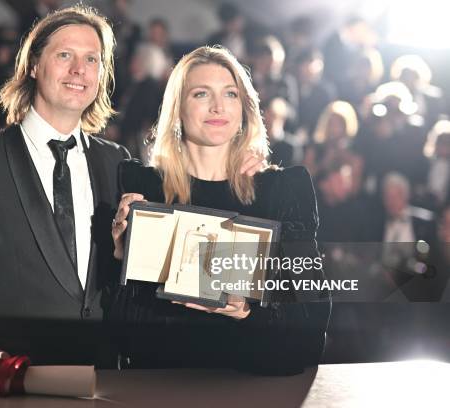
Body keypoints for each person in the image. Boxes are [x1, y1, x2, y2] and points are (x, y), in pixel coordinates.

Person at [0, 6, 130, 377]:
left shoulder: (118, 163)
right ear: (32, 64)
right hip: (13, 383)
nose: (79, 69)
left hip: (105, 381)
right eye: (65, 55)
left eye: (91, 59)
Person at [111, 46, 330, 374]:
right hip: (160, 389)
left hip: (256, 388)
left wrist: (246, 311)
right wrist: (119, 258)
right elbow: (124, 337)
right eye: (201, 94)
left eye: (230, 93)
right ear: (178, 109)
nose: (218, 106)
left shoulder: (282, 191)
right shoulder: (142, 188)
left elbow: (311, 328)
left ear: (244, 107)